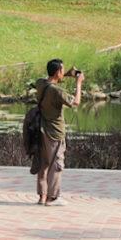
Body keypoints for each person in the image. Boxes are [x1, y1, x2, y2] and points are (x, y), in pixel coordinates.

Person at [32, 58, 83, 205]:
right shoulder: (57, 91)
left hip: (41, 130)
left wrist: (66, 74)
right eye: (62, 70)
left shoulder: (40, 84)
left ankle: (42, 196)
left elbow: (50, 79)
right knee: (56, 164)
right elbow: (76, 102)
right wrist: (78, 83)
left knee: (44, 164)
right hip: (55, 132)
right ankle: (52, 198)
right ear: (58, 72)